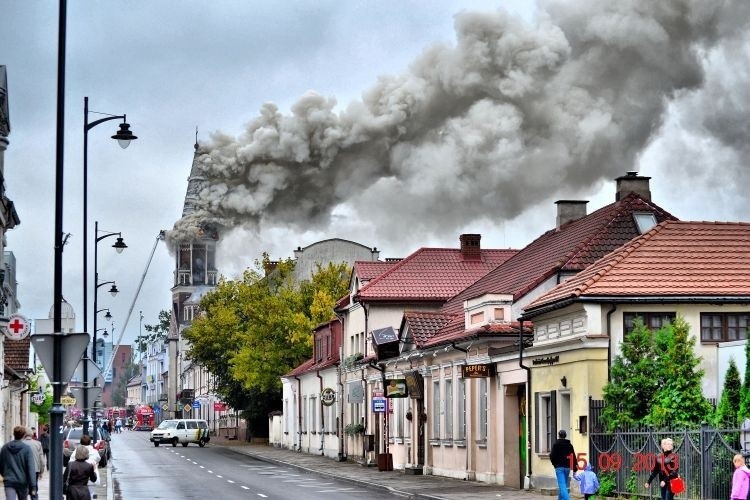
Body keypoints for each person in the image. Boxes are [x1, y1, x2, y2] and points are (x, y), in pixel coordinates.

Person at [0, 425, 37, 500]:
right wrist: (33, 486)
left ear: (14, 434)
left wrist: (5, 474)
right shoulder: (27, 449)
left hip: (9, 481)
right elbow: (31, 468)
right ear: (24, 435)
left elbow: (1, 464)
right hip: (22, 482)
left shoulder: (5, 448)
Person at [549, 429, 577, 500]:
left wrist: (555, 465)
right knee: (563, 486)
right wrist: (574, 469)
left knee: (562, 486)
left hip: (559, 468)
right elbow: (573, 456)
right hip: (567, 468)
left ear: (559, 435)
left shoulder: (556, 445)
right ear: (565, 436)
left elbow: (552, 456)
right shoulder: (570, 445)